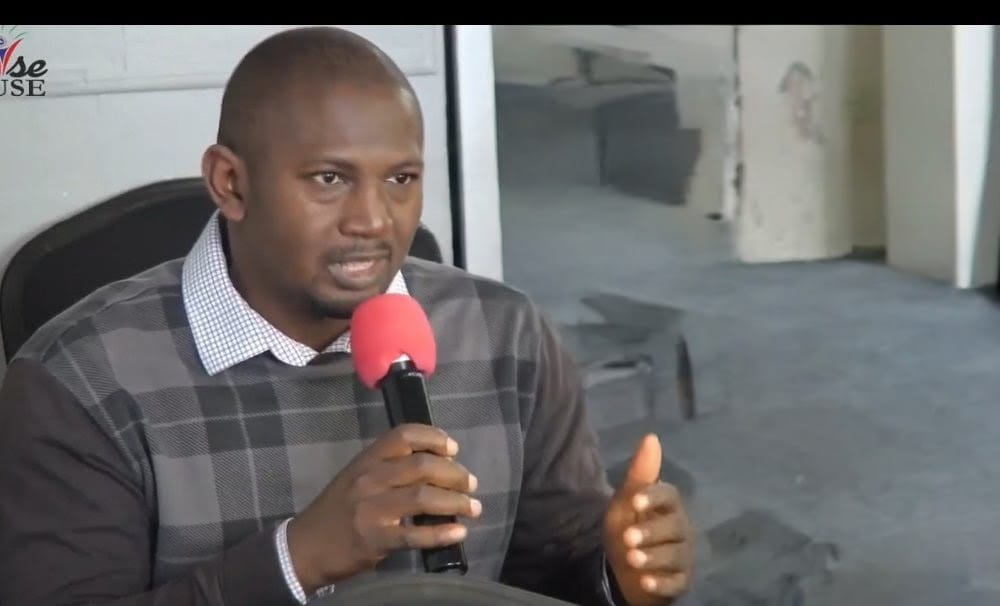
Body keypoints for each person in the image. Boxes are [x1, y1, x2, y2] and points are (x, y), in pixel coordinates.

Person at [0, 26, 693, 606]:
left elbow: (551, 568)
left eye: (401, 179)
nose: (373, 221)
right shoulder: (79, 382)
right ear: (230, 183)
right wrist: (297, 558)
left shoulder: (506, 334)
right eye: (329, 179)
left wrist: (618, 573)